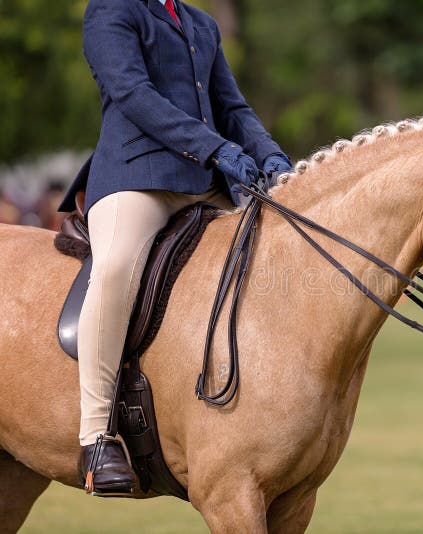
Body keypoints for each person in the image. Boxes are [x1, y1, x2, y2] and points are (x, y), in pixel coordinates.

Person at [57, 0, 292, 495]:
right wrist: (215, 148)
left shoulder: (200, 23)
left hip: (205, 182)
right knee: (117, 267)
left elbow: (232, 107)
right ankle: (96, 437)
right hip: (136, 178)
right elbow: (132, 94)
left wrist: (268, 153)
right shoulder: (111, 11)